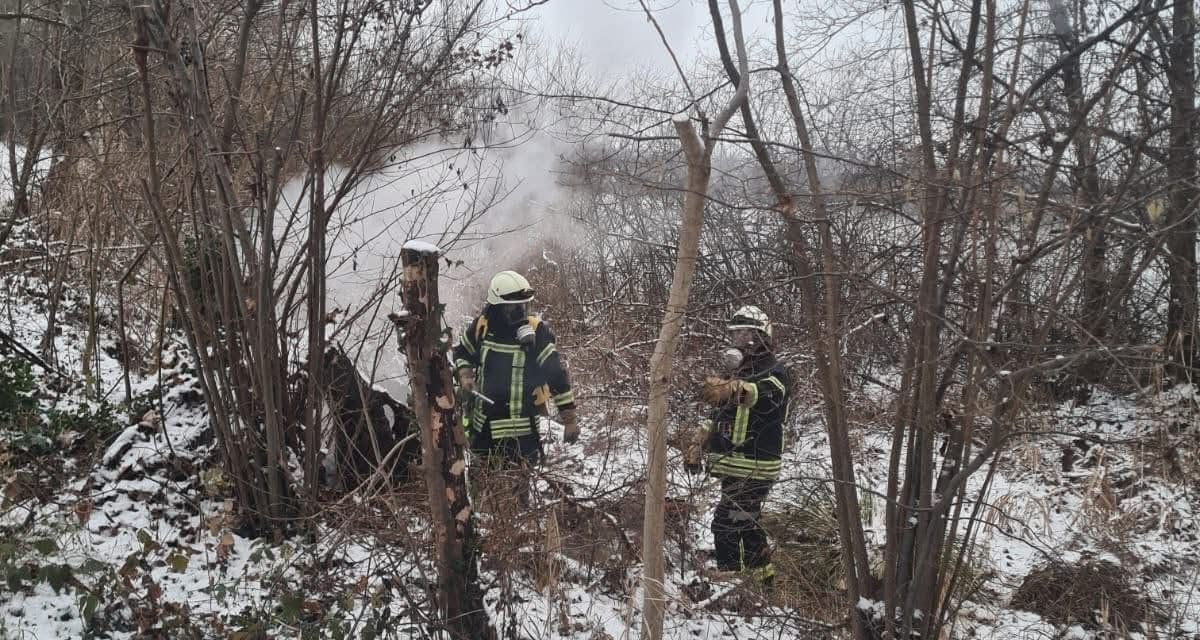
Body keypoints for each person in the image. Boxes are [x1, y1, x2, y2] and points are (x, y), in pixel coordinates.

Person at [686, 305, 791, 585]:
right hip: (735, 469)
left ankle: (730, 583)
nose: (738, 340)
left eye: (744, 334)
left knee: (726, 524)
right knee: (746, 525)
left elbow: (766, 393)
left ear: (761, 337)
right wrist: (698, 443)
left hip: (756, 468)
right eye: (735, 334)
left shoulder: (775, 372)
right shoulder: (737, 372)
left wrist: (735, 390)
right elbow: (717, 415)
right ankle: (759, 584)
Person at [452, 270, 579, 474]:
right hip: (483, 429)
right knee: (482, 486)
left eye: (523, 305)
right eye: (513, 307)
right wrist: (465, 374)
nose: (520, 312)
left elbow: (556, 374)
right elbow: (462, 352)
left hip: (522, 434)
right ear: (496, 306)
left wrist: (569, 419)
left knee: (517, 491)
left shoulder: (537, 332)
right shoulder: (481, 327)